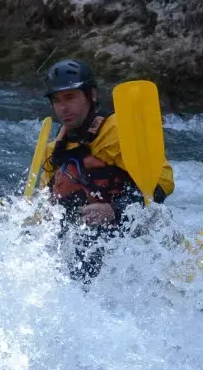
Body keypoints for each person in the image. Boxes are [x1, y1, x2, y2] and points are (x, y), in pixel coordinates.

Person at [37, 59, 176, 281]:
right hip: (78, 237)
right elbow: (47, 200)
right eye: (57, 100)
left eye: (71, 97)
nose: (63, 107)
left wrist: (114, 210)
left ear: (91, 95)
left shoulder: (118, 132)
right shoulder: (55, 149)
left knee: (86, 245)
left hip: (130, 233)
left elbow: (164, 182)